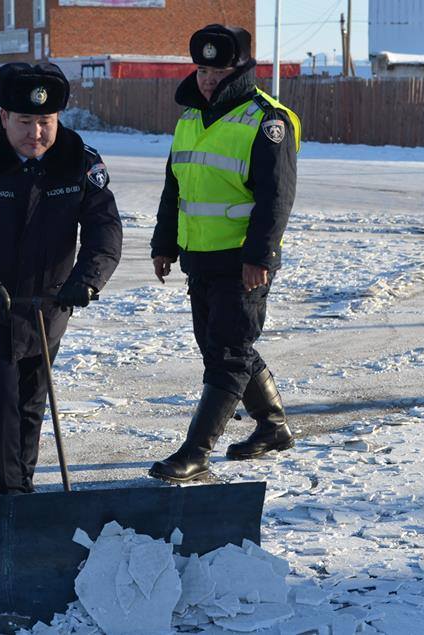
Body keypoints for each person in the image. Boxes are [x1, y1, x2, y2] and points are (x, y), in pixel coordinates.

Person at [0, 62, 122, 495]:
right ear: (3, 117)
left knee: (34, 400)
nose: (36, 133)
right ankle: (7, 492)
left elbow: (105, 229)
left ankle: (25, 486)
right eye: (25, 122)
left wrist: (86, 280)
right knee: (2, 400)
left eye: (45, 122)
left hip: (49, 307)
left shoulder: (79, 162)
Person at [149, 24, 302, 483]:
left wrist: (261, 257)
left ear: (240, 67)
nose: (209, 78)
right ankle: (272, 427)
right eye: (202, 68)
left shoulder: (267, 120)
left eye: (219, 69)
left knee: (229, 354)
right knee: (220, 347)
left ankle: (195, 451)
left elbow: (277, 198)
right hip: (200, 257)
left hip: (242, 261)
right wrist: (164, 244)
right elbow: (174, 185)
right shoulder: (190, 118)